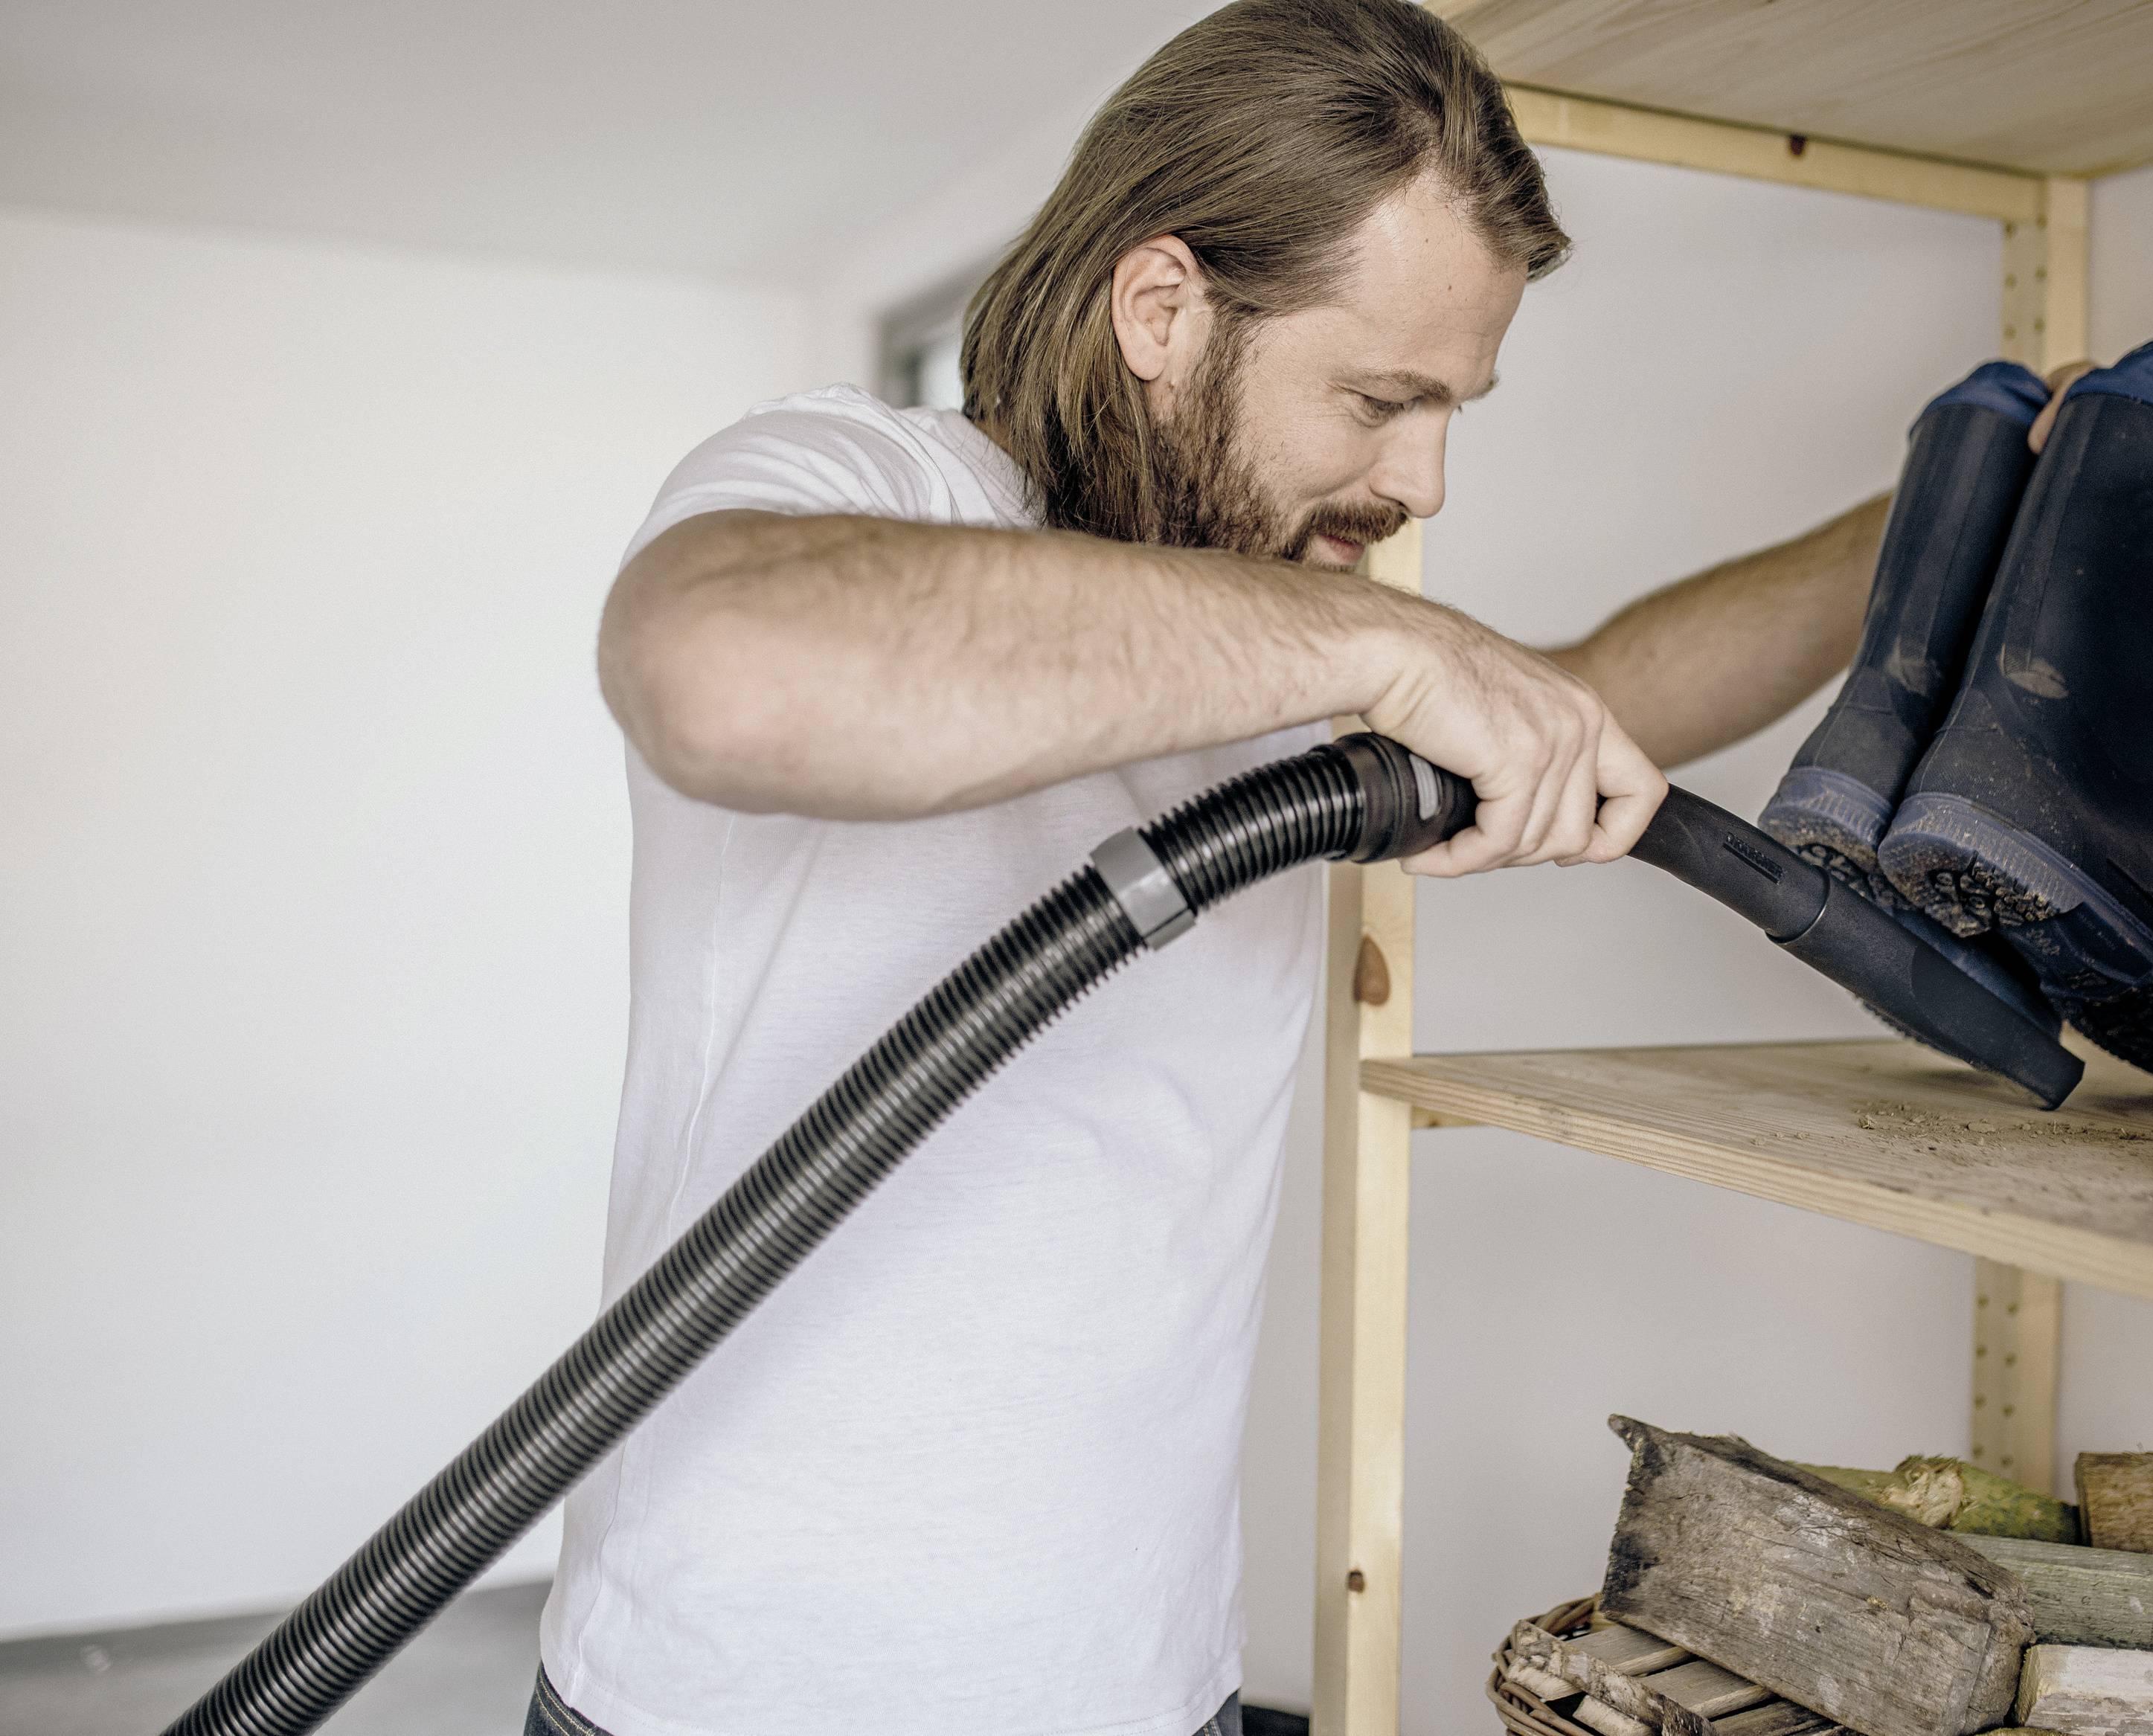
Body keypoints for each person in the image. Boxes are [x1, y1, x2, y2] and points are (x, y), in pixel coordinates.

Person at [531, 4, 1902, 1734]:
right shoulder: (867, 481)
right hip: (731, 1695)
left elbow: (1584, 712)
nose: (1419, 484)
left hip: (1134, 1686)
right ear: (1162, 309)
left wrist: (1914, 535)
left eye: (1453, 410)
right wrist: (1365, 642)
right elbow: (720, 669)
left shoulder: (1283, 635)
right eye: (1379, 400)